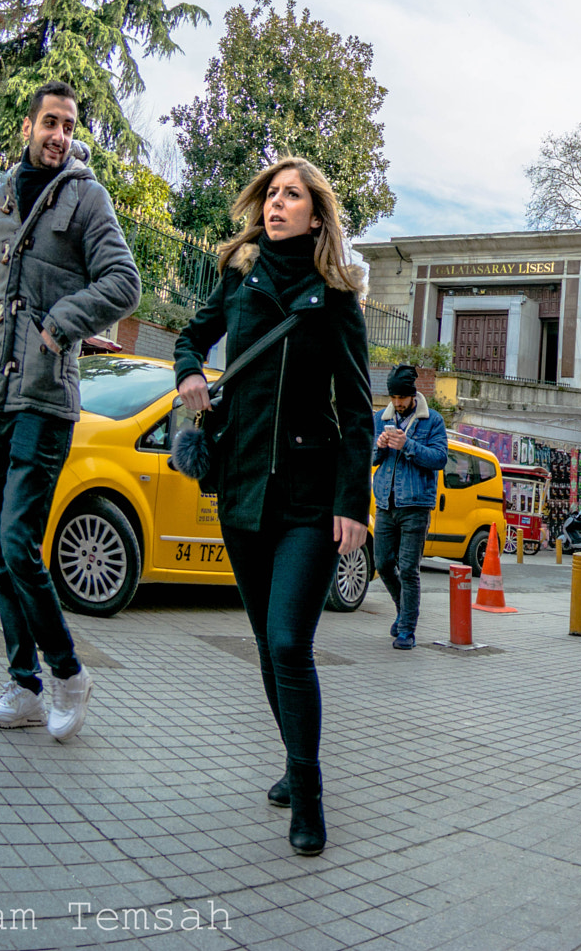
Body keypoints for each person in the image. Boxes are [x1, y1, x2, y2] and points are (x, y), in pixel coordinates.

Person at [175, 157, 371, 857]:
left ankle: (310, 790)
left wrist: (355, 501)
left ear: (315, 215)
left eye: (292, 195)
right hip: (243, 488)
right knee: (265, 641)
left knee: (290, 641)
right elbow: (189, 336)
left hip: (311, 497)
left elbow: (356, 407)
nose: (276, 203)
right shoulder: (239, 274)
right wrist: (191, 370)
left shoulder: (338, 294)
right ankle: (293, 759)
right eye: (271, 194)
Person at [0, 81, 140, 742]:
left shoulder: (87, 196)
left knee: (16, 543)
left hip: (48, 400)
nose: (59, 134)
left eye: (69, 124)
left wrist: (64, 321)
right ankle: (25, 685)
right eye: (50, 122)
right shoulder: (1, 198)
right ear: (28, 126)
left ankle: (68, 672)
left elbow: (124, 279)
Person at [372, 363, 446, 649]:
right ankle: (403, 610)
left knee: (408, 568)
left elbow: (440, 459)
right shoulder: (381, 418)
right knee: (383, 563)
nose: (397, 403)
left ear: (413, 395)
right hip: (385, 503)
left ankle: (407, 629)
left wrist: (408, 445)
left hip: (416, 505)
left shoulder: (432, 420)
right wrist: (379, 446)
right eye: (393, 398)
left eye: (402, 398)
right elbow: (372, 458)